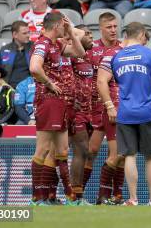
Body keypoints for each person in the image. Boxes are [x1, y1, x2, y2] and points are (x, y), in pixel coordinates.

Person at [99, 22, 151, 206]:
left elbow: (117, 83)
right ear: (142, 34)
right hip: (148, 112)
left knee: (129, 156)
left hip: (125, 112)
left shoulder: (117, 57)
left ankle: (133, 199)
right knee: (150, 157)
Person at [28, 12, 85, 206]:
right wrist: (50, 83)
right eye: (63, 26)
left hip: (61, 103)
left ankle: (70, 198)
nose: (65, 30)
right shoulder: (43, 43)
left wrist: (70, 30)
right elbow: (34, 68)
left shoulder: (56, 45)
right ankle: (36, 198)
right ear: (56, 26)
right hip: (48, 100)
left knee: (62, 150)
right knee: (43, 149)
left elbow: (80, 53)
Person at [83, 12, 121, 202]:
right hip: (93, 107)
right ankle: (78, 194)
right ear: (101, 29)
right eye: (109, 27)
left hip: (116, 107)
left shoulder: (123, 49)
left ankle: (116, 195)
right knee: (90, 152)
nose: (113, 30)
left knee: (119, 153)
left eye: (115, 26)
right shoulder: (90, 49)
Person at [69, 24, 94, 203]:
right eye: (88, 34)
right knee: (81, 150)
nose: (92, 37)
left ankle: (77, 195)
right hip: (74, 111)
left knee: (85, 153)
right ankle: (75, 196)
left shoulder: (90, 57)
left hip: (90, 111)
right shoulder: (70, 56)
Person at [0, 20, 32, 89]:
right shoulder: (5, 50)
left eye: (29, 32)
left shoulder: (34, 47)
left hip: (30, 88)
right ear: (15, 35)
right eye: (24, 33)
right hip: (10, 88)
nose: (28, 35)